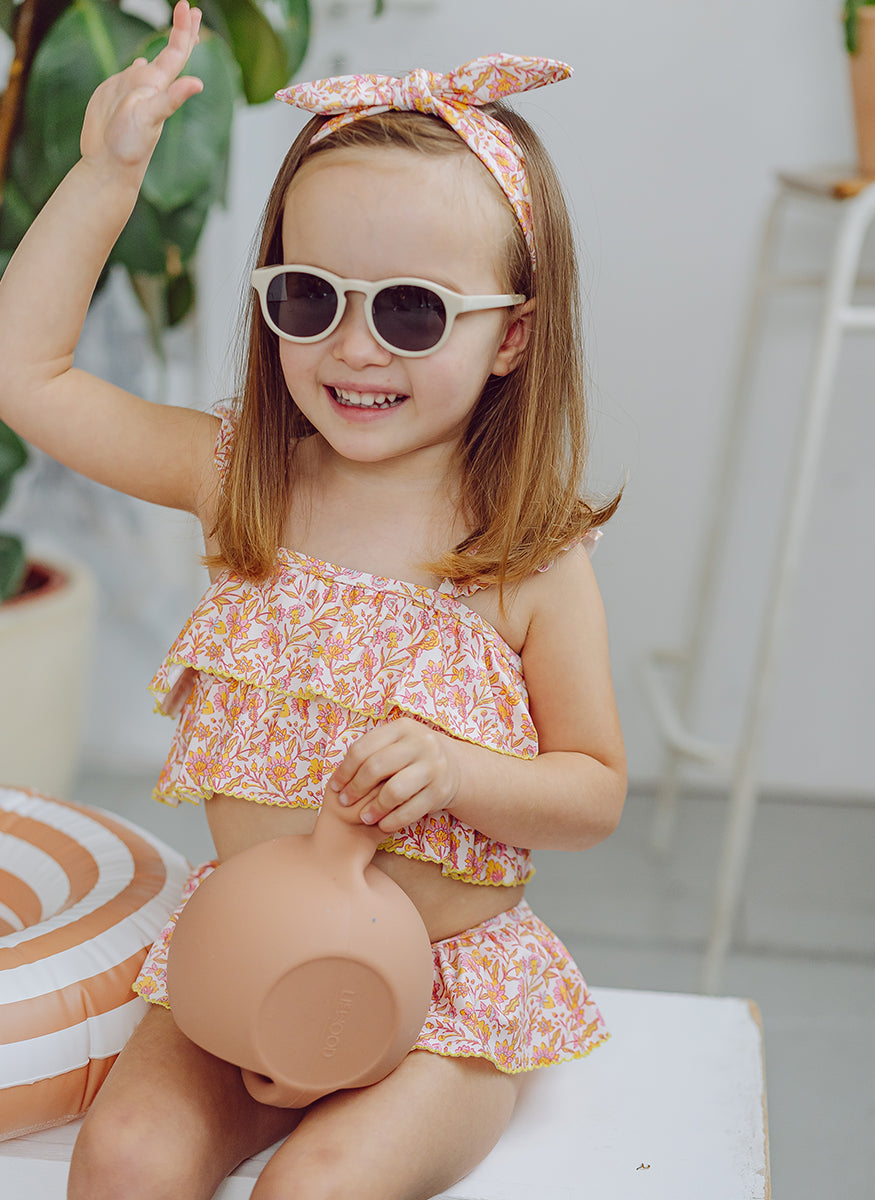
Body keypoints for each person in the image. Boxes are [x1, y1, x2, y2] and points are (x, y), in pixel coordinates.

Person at [0, 4, 627, 1197]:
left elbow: (593, 789)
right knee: (126, 1157)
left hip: (439, 995)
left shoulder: (525, 557)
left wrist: (459, 772)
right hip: (243, 962)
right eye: (308, 298)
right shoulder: (244, 479)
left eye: (410, 310)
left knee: (319, 1186)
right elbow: (26, 376)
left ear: (511, 338)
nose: (354, 348)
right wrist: (105, 178)